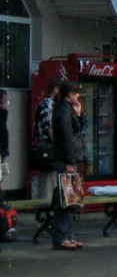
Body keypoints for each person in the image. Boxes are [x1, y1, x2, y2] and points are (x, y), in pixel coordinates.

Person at [50, 80, 84, 250]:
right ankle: (62, 237)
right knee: (66, 199)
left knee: (71, 200)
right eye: (76, 92)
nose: (78, 96)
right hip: (66, 161)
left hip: (68, 159)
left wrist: (78, 115)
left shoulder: (66, 110)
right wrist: (70, 161)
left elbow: (76, 132)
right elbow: (66, 137)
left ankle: (68, 236)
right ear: (70, 94)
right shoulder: (63, 111)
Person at [32, 79, 60, 198]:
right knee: (49, 181)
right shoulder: (49, 104)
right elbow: (50, 129)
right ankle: (48, 208)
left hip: (43, 147)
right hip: (48, 149)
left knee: (46, 180)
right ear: (55, 90)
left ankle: (46, 206)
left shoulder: (43, 103)